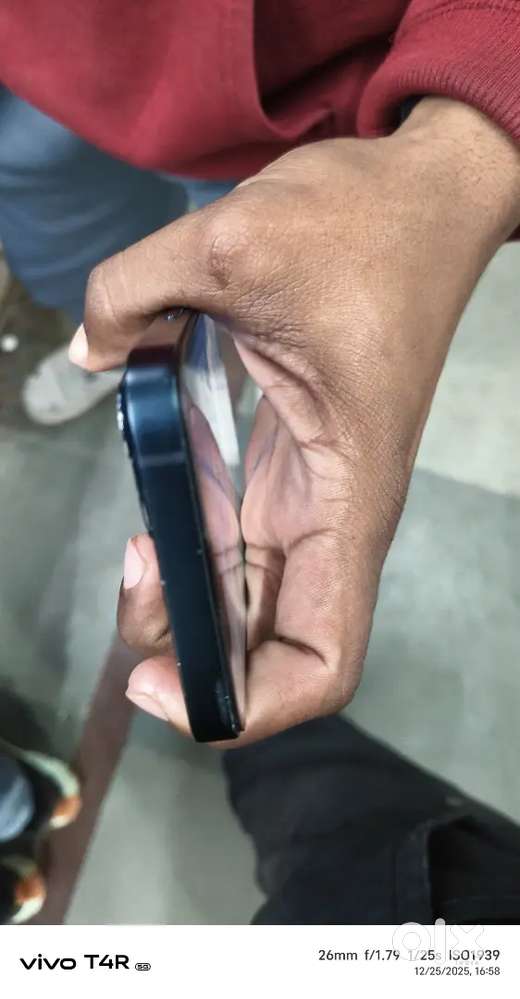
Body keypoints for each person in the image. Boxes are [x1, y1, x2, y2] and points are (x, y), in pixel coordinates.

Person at [1, 2, 519, 920]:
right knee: (94, 265)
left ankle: (132, 357)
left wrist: (462, 145)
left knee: (216, 269)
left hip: (299, 76)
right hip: (36, 62)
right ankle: (109, 351)